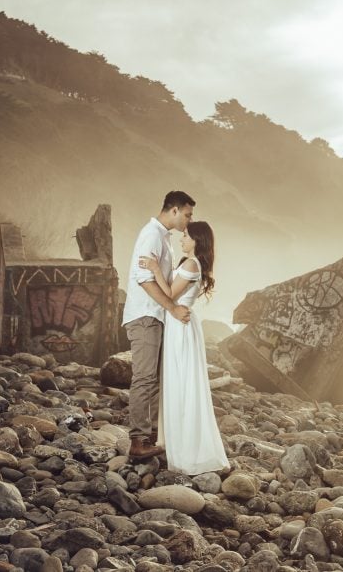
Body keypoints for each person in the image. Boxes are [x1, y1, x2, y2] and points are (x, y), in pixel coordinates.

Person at [139, 221, 230, 475]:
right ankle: (176, 443)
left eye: (186, 236)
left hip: (180, 326)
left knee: (181, 383)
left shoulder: (191, 264)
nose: (182, 239)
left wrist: (155, 268)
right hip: (179, 324)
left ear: (197, 241)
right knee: (178, 382)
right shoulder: (188, 262)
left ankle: (186, 451)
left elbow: (168, 292)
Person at [122, 191, 195, 461]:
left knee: (153, 379)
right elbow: (144, 279)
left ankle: (152, 435)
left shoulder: (163, 237)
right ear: (173, 210)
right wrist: (173, 308)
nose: (189, 220)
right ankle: (138, 441)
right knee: (143, 377)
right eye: (187, 214)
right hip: (145, 315)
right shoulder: (151, 235)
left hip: (155, 316)